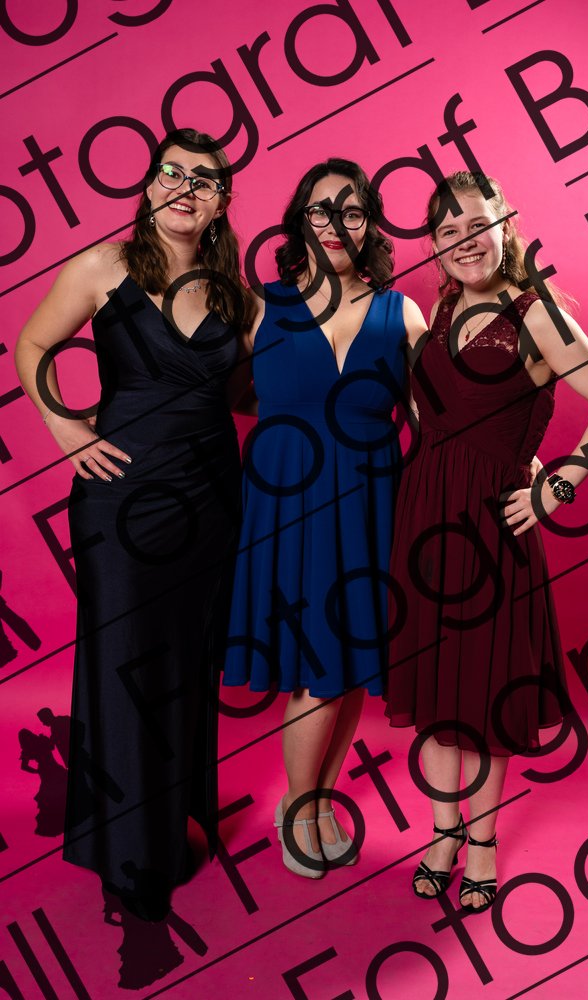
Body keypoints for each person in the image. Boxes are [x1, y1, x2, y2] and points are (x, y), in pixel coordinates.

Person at [15, 128, 253, 920]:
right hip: (121, 500)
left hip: (210, 501)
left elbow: (248, 395)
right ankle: (127, 855)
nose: (185, 188)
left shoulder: (234, 296)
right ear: (149, 187)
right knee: (123, 662)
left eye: (203, 181)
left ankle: (169, 823)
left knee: (184, 666)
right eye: (171, 173)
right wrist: (64, 428)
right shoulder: (101, 267)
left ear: (220, 204)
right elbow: (32, 343)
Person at [385, 171, 588, 911]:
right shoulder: (439, 311)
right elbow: (436, 415)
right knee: (435, 689)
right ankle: (441, 834)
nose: (464, 240)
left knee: (485, 694)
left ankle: (483, 844)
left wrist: (555, 489)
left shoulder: (536, 313)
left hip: (491, 530)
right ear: (435, 247)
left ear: (505, 227)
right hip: (421, 518)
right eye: (447, 230)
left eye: (477, 224)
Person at [223, 158, 427, 877]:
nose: (335, 223)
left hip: (370, 505)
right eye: (320, 209)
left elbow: (437, 413)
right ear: (298, 222)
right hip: (286, 506)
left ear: (369, 225)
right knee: (319, 665)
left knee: (347, 664)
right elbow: (220, 393)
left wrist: (517, 455)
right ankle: (301, 805)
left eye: (351, 210)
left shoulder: (401, 312)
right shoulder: (260, 309)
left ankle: (312, 801)